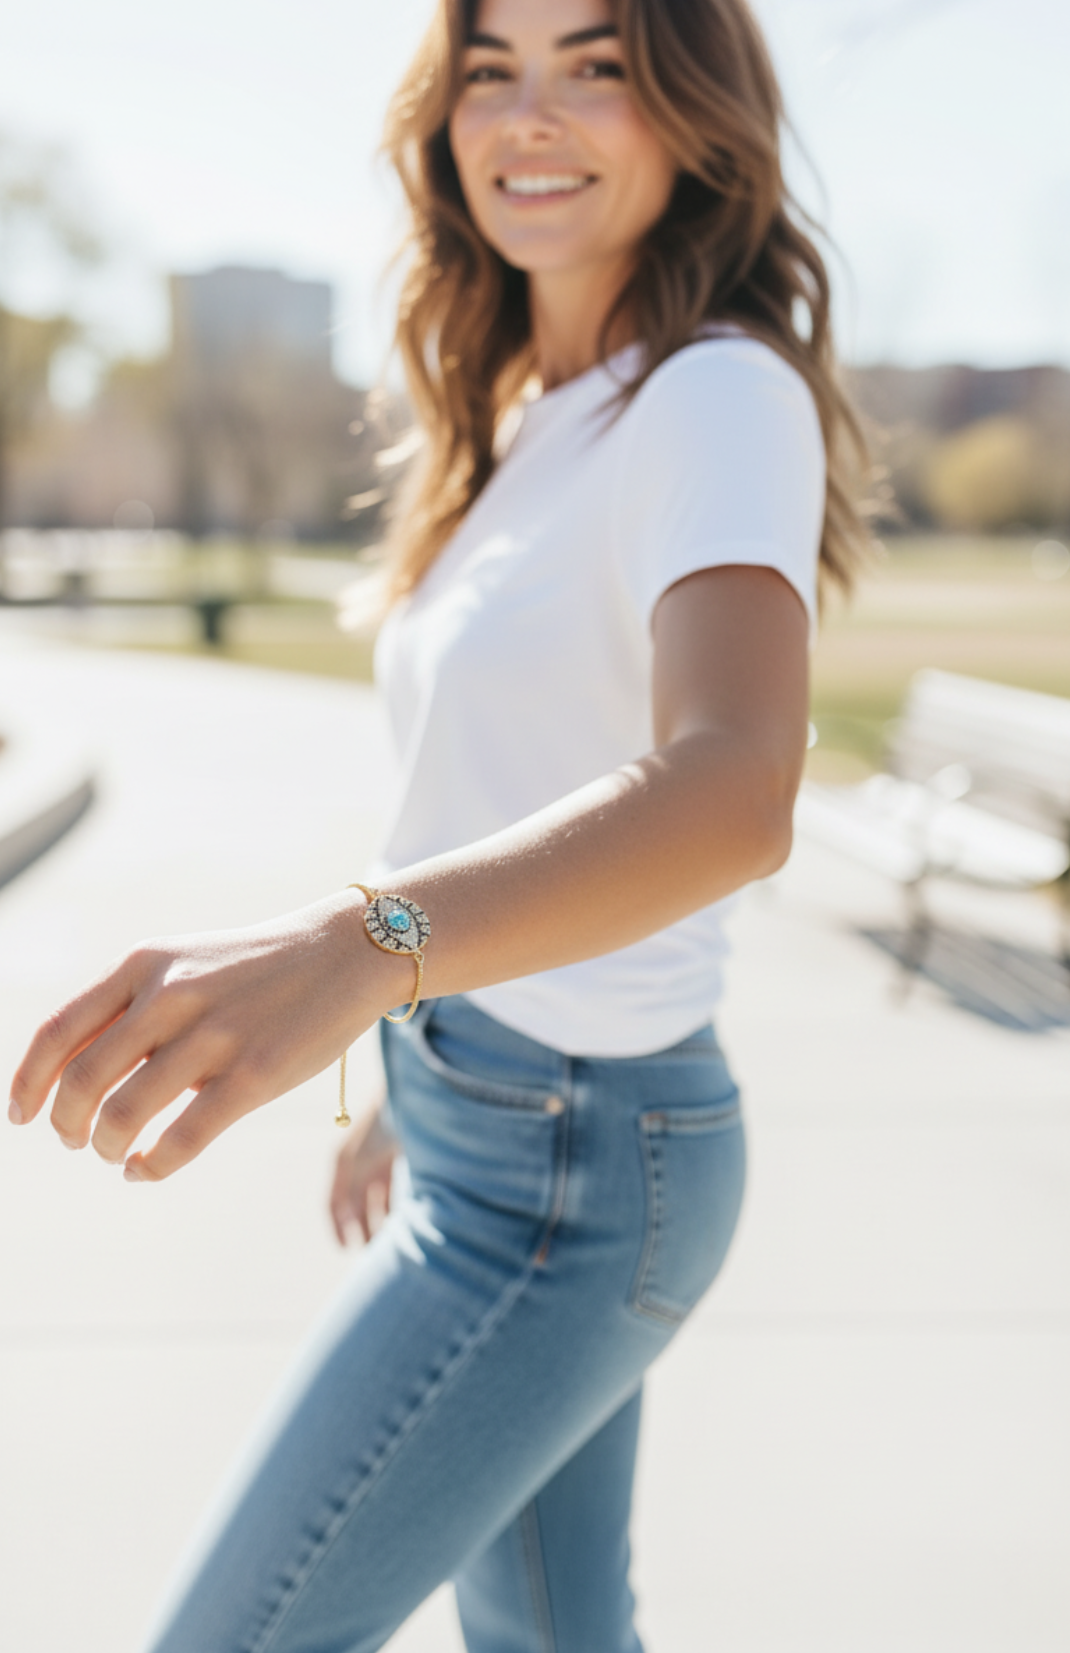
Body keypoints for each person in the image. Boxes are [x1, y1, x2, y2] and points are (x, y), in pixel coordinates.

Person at [9, 0, 870, 1648]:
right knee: (549, 1635)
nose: (529, 116)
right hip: (495, 1122)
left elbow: (734, 787)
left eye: (595, 65)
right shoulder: (533, 420)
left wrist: (365, 950)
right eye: (492, 70)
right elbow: (500, 781)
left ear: (691, 114)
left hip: (574, 1168)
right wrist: (417, 1053)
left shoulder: (710, 395)